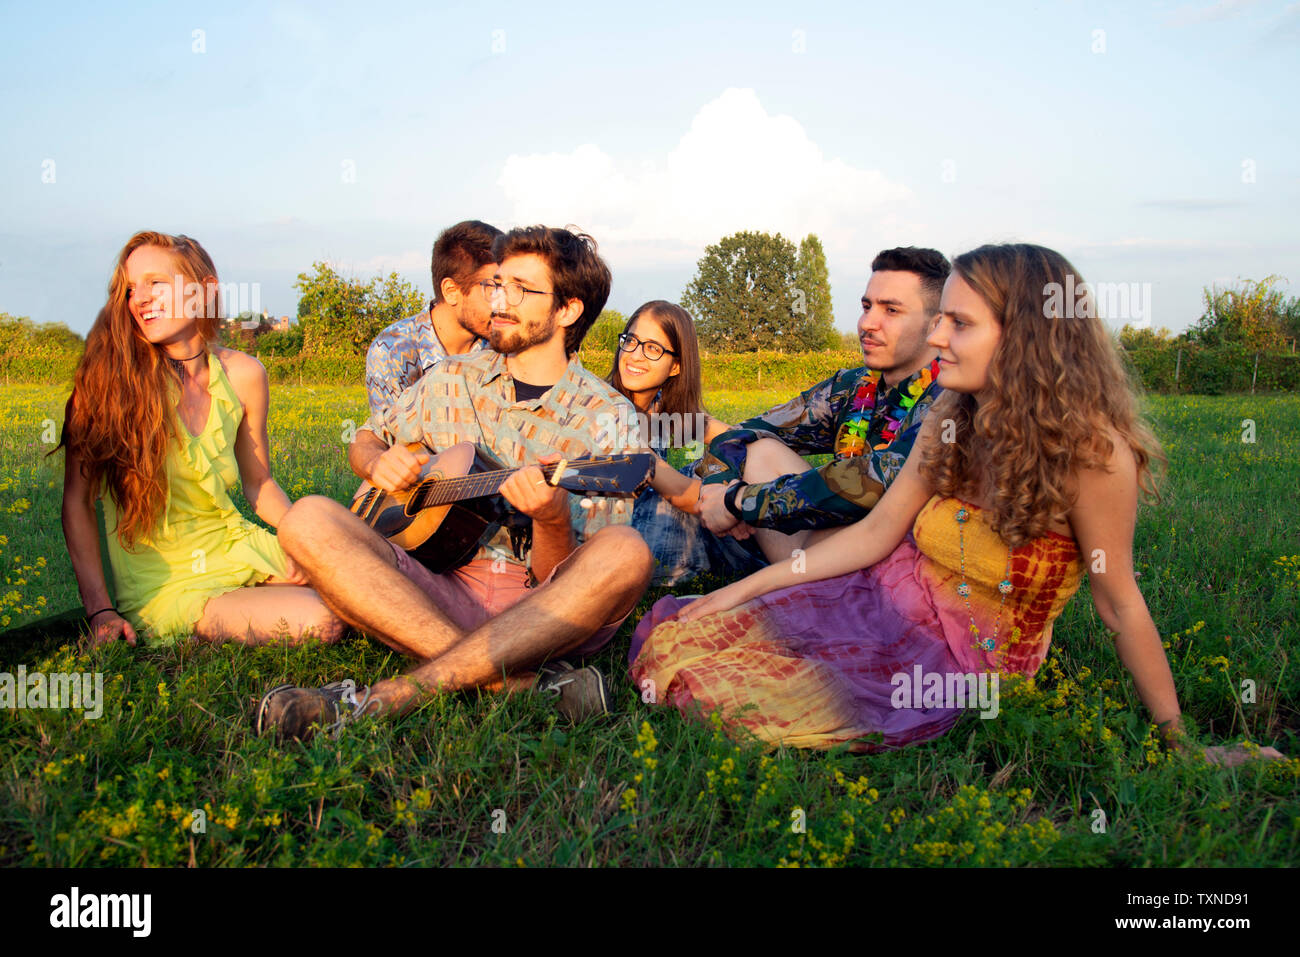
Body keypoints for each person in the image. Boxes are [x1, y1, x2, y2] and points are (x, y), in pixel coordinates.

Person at [630, 242, 1281, 767]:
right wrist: (751, 590)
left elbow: (1119, 603)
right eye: (940, 317)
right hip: (885, 592)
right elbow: (878, 533)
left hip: (964, 658)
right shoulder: (950, 412)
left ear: (1026, 336)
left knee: (737, 699)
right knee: (688, 633)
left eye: (958, 322)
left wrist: (1179, 739)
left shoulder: (1093, 453)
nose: (936, 336)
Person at [256, 226, 653, 741]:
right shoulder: (450, 377)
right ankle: (511, 684)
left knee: (626, 551)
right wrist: (378, 461)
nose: (499, 301)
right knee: (307, 516)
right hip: (433, 586)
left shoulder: (606, 417)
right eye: (496, 285)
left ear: (567, 311)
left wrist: (551, 517)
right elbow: (366, 438)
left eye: (522, 290)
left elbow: (567, 580)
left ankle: (397, 693)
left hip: (539, 609)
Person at [58, 231, 343, 647]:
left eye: (156, 283)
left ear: (204, 290)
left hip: (235, 544)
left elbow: (259, 483)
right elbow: (77, 502)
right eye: (131, 288)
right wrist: (100, 609)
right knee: (325, 619)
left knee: (355, 581)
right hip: (166, 582)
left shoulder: (245, 374)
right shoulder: (105, 384)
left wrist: (300, 544)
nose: (139, 298)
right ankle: (206, 621)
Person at [695, 247, 950, 566]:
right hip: (836, 544)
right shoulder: (851, 387)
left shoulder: (950, 396)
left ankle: (797, 590)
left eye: (891, 311)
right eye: (867, 306)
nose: (868, 323)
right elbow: (749, 432)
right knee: (761, 450)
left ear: (936, 325)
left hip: (912, 559)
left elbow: (873, 481)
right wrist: (720, 484)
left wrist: (739, 502)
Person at [605, 300, 764, 585]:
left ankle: (797, 543)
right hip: (619, 534)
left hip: (661, 517)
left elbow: (736, 437)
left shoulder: (660, 407)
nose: (635, 356)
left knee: (733, 462)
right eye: (631, 341)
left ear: (676, 366)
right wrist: (734, 503)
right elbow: (673, 487)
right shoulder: (604, 406)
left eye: (652, 348)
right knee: (709, 488)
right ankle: (794, 561)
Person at [365, 220, 503, 419]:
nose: (504, 303)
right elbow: (391, 440)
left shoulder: (503, 344)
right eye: (492, 289)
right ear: (451, 291)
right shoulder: (392, 350)